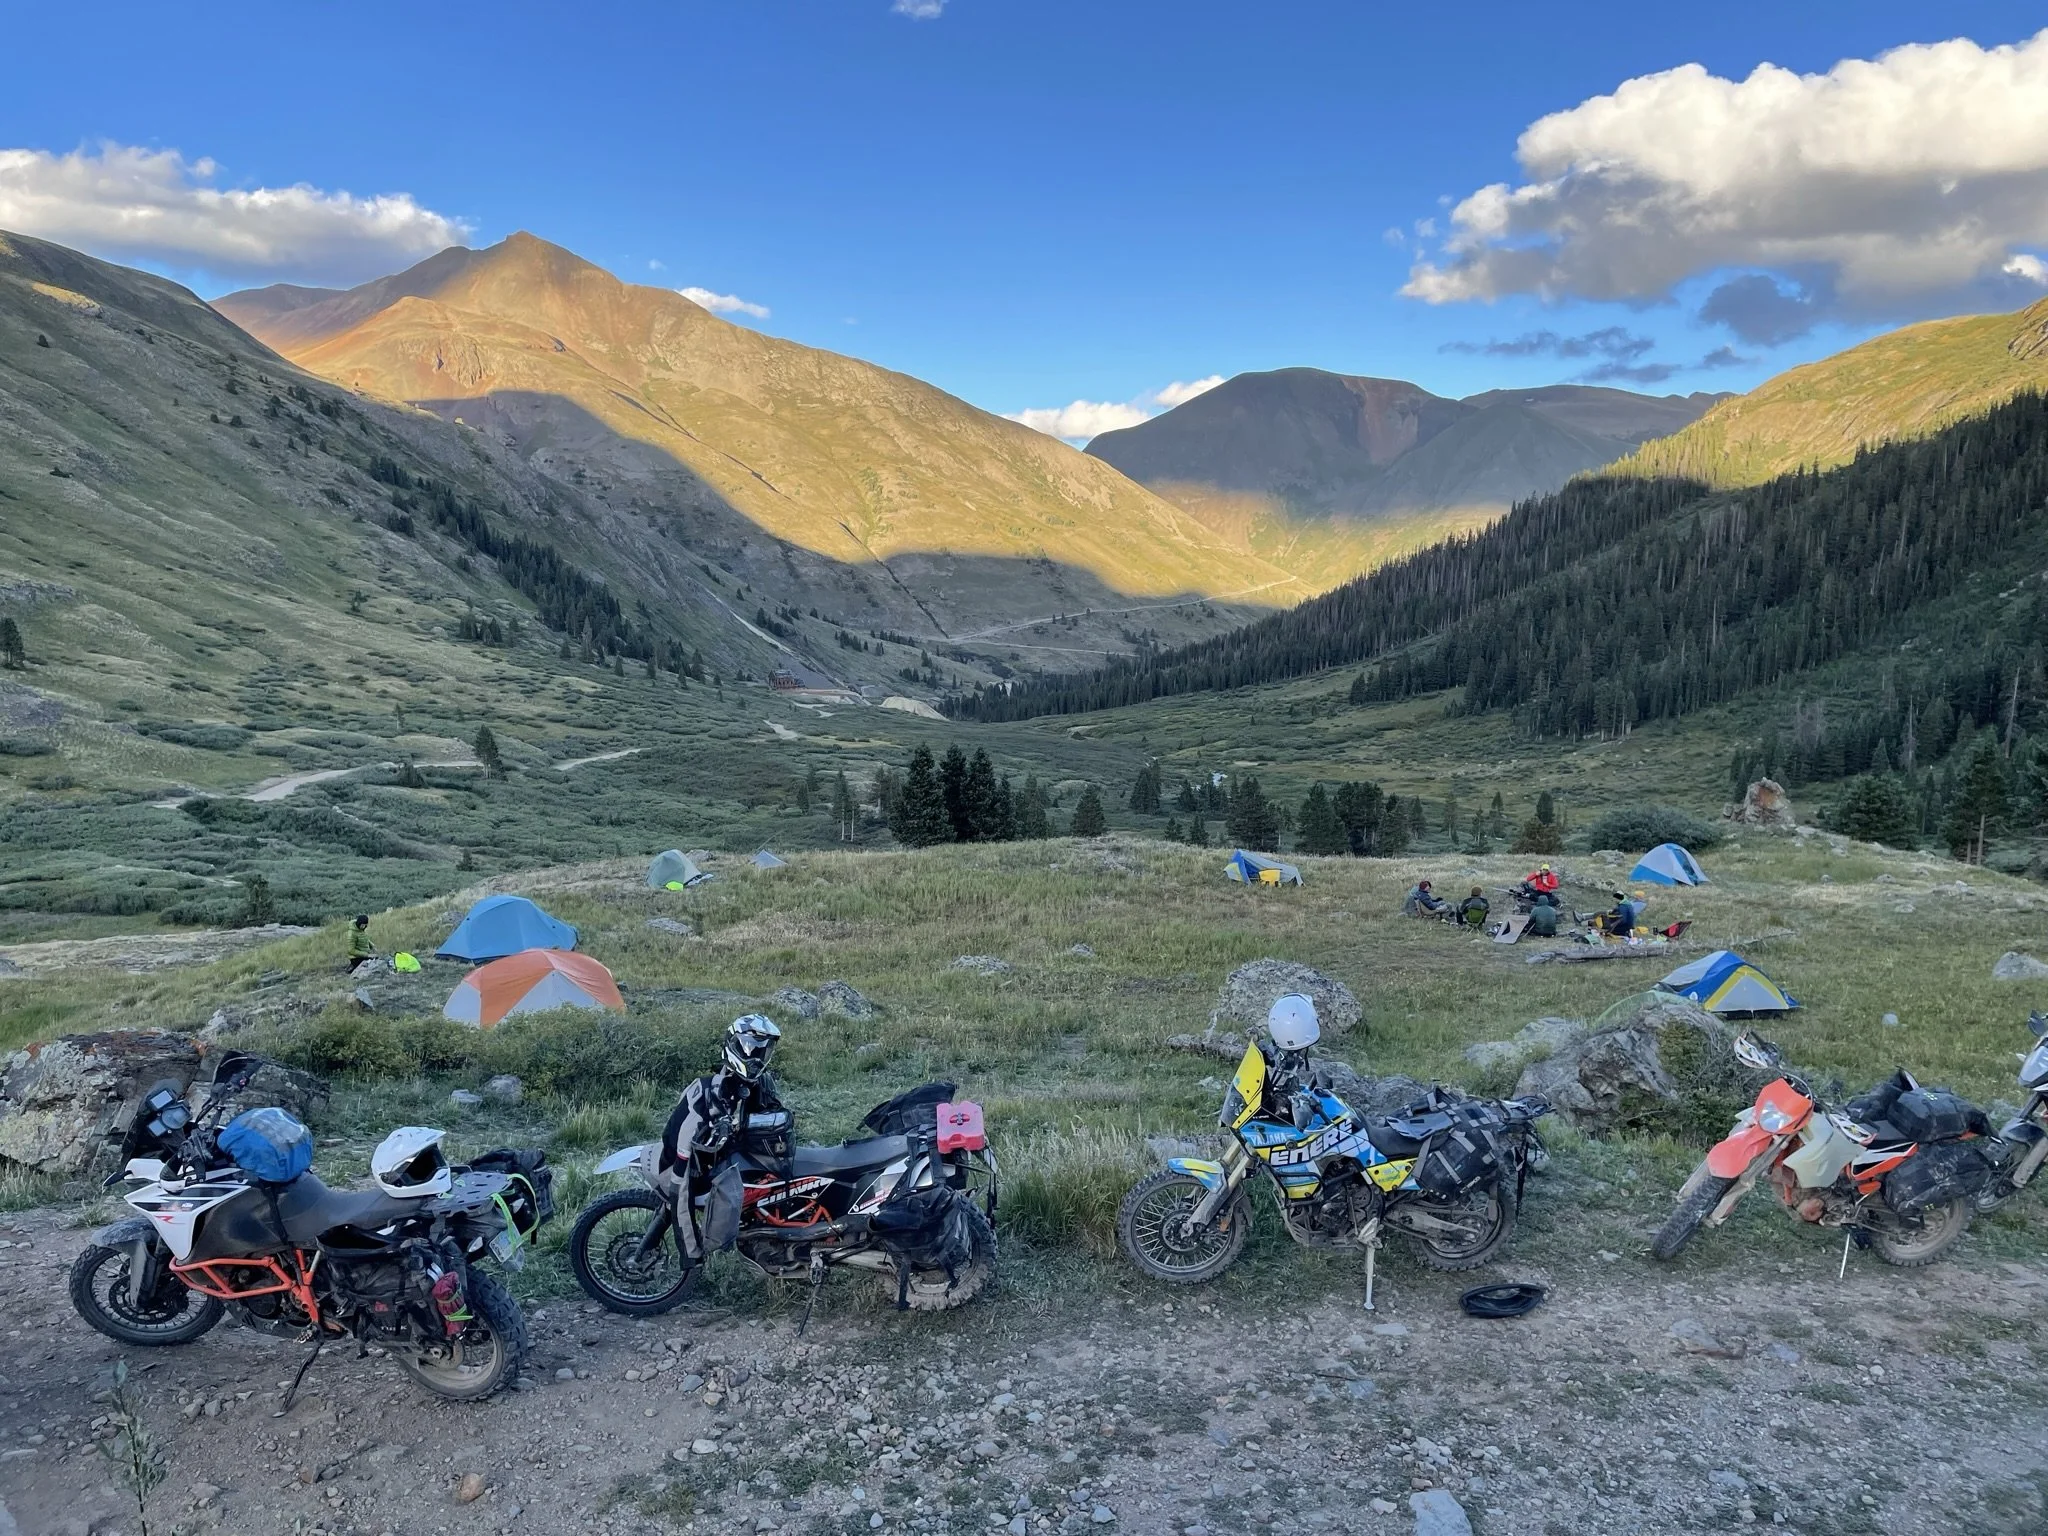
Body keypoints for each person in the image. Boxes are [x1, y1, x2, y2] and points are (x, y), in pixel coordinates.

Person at [658, 1015, 788, 1260]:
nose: (757, 1057)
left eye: (763, 1051)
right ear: (735, 1046)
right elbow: (680, 1174)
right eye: (751, 1049)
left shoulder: (752, 1083)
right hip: (686, 1161)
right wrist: (691, 1253)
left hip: (720, 1155)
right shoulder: (711, 1094)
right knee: (683, 1192)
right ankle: (702, 1250)